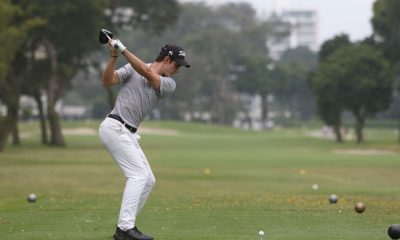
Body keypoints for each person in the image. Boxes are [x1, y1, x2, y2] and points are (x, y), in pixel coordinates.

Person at [98, 38, 190, 240]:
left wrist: (122, 49)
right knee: (138, 175)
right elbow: (107, 81)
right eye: (177, 65)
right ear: (167, 59)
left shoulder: (168, 84)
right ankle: (125, 229)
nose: (178, 70)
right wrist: (113, 57)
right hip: (114, 126)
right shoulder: (133, 67)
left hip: (128, 133)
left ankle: (126, 226)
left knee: (148, 180)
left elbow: (148, 74)